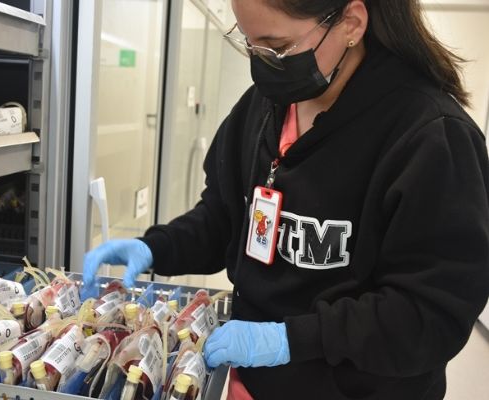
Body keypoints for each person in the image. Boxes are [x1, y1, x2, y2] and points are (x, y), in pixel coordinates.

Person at [83, 0, 489, 398]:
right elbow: (225, 218)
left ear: (351, 23)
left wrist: (290, 340)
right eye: (249, 42)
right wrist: (155, 247)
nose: (262, 64)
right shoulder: (261, 109)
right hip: (249, 381)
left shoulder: (431, 138)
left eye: (277, 48)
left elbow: (428, 316)